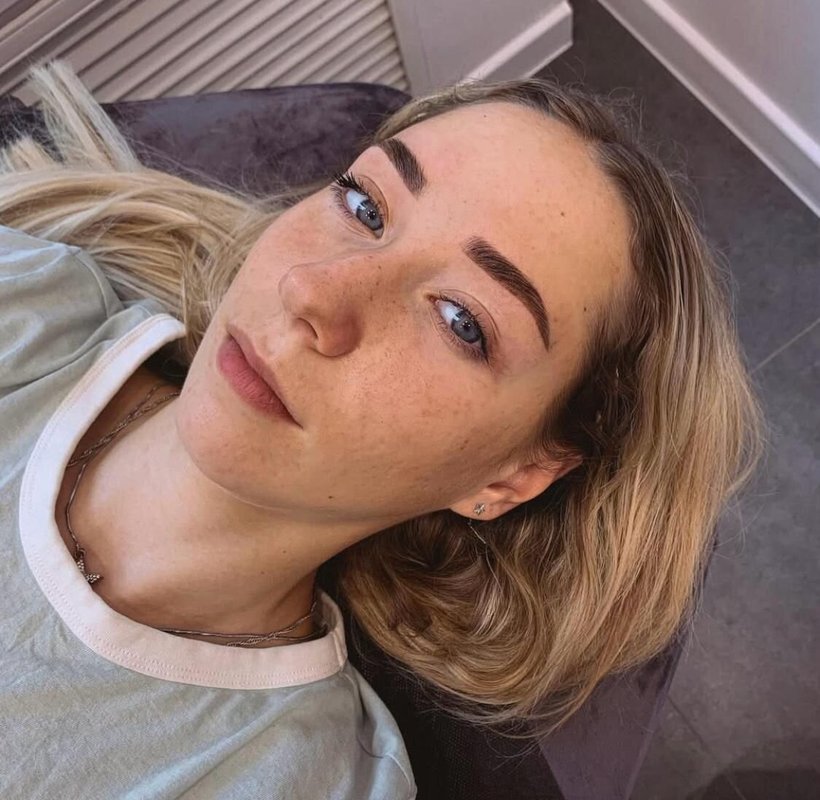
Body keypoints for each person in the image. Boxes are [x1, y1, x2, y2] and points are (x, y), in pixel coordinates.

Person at [0, 59, 764, 799]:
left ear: (512, 476)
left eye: (462, 321)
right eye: (366, 206)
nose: (312, 291)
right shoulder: (28, 302)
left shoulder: (298, 778)